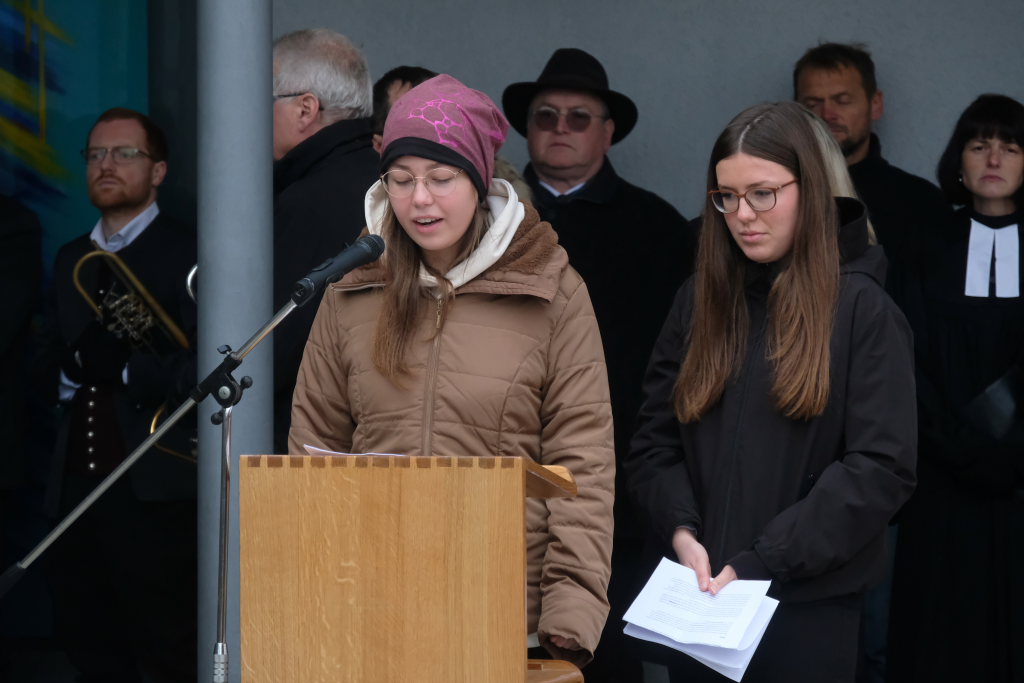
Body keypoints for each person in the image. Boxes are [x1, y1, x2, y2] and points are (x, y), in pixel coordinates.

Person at [288, 74, 614, 668]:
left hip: (505, 611)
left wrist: (571, 606)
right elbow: (315, 449)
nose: (420, 199)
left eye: (441, 178)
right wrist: (317, 592)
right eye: (401, 179)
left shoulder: (551, 288)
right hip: (375, 606)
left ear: (479, 181)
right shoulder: (353, 287)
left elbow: (582, 460)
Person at [627, 101, 917, 683]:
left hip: (806, 614)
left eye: (763, 193)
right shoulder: (698, 300)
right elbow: (653, 444)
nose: (742, 215)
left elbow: (881, 468)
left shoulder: (863, 308)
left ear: (812, 190)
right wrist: (682, 531)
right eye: (726, 197)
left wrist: (765, 557)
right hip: (702, 603)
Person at [503, 46, 695, 681]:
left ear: (607, 133)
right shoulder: (488, 221)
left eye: (578, 118)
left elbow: (679, 364)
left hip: (613, 471)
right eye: (546, 116)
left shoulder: (658, 229)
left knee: (602, 647)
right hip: (502, 467)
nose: (560, 128)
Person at [44, 107, 197, 682]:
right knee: (87, 641)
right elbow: (49, 360)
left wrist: (128, 373)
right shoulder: (69, 258)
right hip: (75, 490)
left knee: (162, 646)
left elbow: (213, 364)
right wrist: (70, 371)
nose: (106, 165)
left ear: (158, 171)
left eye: (124, 153)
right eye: (96, 154)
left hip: (157, 490)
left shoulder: (187, 250)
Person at [887, 94, 1024, 683]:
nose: (993, 159)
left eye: (1010, 147)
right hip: (941, 480)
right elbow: (904, 359)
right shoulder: (925, 243)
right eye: (978, 145)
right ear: (958, 160)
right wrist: (957, 446)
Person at [271, 28, 379, 453]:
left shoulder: (309, 201)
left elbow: (275, 349)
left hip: (312, 448)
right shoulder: (385, 179)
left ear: (305, 109)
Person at [794, 42, 951, 305]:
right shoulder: (775, 197)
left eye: (843, 100)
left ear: (875, 104)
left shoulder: (922, 203)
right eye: (812, 104)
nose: (827, 114)